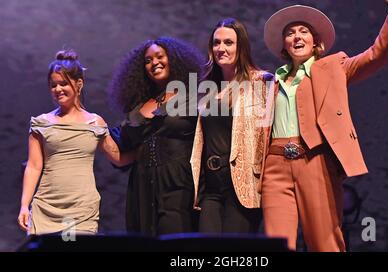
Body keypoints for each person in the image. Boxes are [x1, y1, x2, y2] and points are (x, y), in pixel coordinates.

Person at [260, 0, 388, 251]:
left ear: (316, 42)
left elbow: (376, 55)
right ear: (283, 45)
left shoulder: (334, 67)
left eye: (303, 31)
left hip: (315, 162)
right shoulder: (269, 81)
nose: (296, 37)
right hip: (274, 167)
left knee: (325, 243)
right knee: (276, 245)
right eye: (290, 33)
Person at [17, 50, 134, 235]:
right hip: (46, 208)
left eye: (63, 83)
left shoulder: (95, 123)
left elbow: (118, 159)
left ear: (79, 84)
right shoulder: (41, 123)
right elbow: (33, 166)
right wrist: (24, 206)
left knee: (73, 248)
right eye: (53, 85)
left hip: (79, 211)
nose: (57, 89)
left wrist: (148, 148)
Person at [109, 37, 207, 236]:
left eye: (160, 56)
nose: (154, 63)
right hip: (142, 186)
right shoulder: (139, 106)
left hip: (178, 183)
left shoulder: (194, 96)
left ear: (174, 59)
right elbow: (123, 149)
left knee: (176, 239)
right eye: (148, 60)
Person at [190, 18, 273, 233]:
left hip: (243, 184)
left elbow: (270, 134)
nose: (221, 48)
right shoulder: (209, 91)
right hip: (211, 187)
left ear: (241, 47)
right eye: (216, 43)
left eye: (228, 43)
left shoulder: (261, 81)